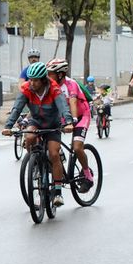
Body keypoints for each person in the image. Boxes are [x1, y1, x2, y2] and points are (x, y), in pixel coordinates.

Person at [2, 62, 68, 192]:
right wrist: (8, 126)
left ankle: (58, 190)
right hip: (36, 121)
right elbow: (17, 108)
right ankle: (35, 162)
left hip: (53, 124)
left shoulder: (54, 88)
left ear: (44, 80)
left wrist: (68, 122)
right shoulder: (26, 88)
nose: (32, 83)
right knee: (30, 137)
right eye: (30, 80)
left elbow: (63, 108)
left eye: (36, 81)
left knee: (54, 154)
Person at [48, 60, 95, 190]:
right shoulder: (50, 85)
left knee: (77, 147)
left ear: (60, 74)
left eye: (50, 74)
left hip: (81, 115)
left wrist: (73, 120)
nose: (48, 76)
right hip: (64, 117)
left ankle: (87, 175)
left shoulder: (71, 84)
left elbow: (73, 103)